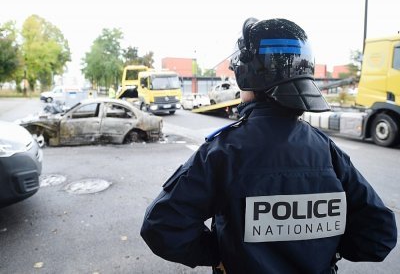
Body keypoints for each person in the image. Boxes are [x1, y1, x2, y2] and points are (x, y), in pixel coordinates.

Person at [140, 18, 397, 273]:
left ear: (247, 75)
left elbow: (161, 225)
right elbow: (379, 235)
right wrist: (325, 250)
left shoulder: (222, 152)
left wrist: (218, 255)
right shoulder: (328, 152)